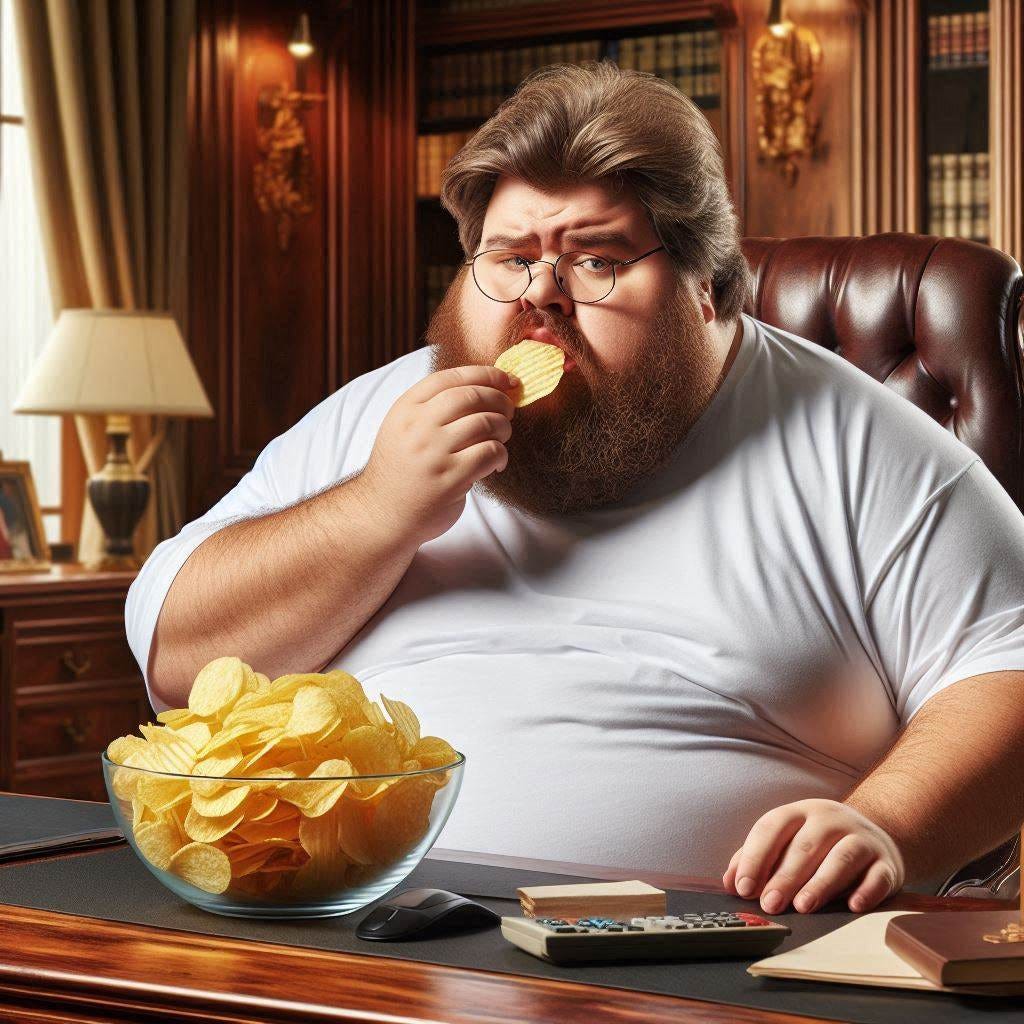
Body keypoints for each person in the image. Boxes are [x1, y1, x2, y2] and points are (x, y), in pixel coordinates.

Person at [126, 61, 1024, 917]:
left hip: (707, 966)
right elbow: (177, 655)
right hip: (354, 941)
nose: (539, 297)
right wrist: (376, 511)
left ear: (707, 288)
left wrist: (888, 825)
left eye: (594, 261)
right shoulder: (382, 415)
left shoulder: (858, 443)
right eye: (508, 258)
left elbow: (1007, 668)